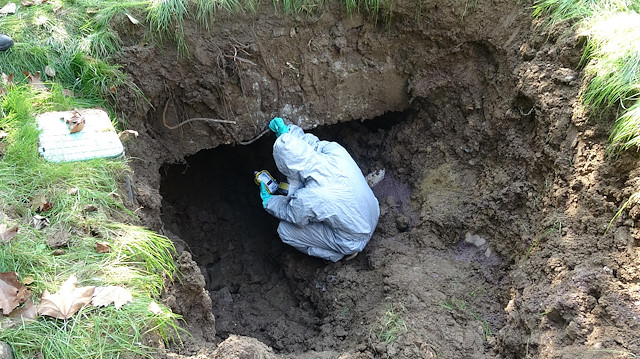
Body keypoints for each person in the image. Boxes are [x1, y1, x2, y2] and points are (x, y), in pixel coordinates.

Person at [258, 117, 380, 262]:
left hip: (353, 241)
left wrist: (269, 202)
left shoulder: (310, 197)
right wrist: (288, 134)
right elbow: (312, 144)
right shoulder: (334, 150)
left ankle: (339, 255)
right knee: (320, 209)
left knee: (285, 231)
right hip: (373, 213)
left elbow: (294, 216)